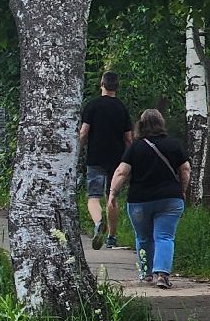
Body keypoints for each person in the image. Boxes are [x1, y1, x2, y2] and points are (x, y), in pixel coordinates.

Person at [108, 109, 191, 289]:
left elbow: (122, 172)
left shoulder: (135, 147)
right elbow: (185, 169)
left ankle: (146, 274)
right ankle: (162, 275)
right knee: (165, 237)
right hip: (170, 199)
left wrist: (112, 194)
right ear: (161, 123)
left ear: (141, 124)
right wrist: (182, 190)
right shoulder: (173, 145)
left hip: (140, 201)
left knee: (143, 237)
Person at [78, 72, 133, 250]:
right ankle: (111, 237)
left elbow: (84, 132)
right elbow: (128, 139)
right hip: (116, 160)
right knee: (112, 197)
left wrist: (80, 149)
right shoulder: (122, 108)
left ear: (102, 84)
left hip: (95, 157)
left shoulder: (92, 106)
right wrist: (129, 158)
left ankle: (98, 223)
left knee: (93, 197)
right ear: (117, 86)